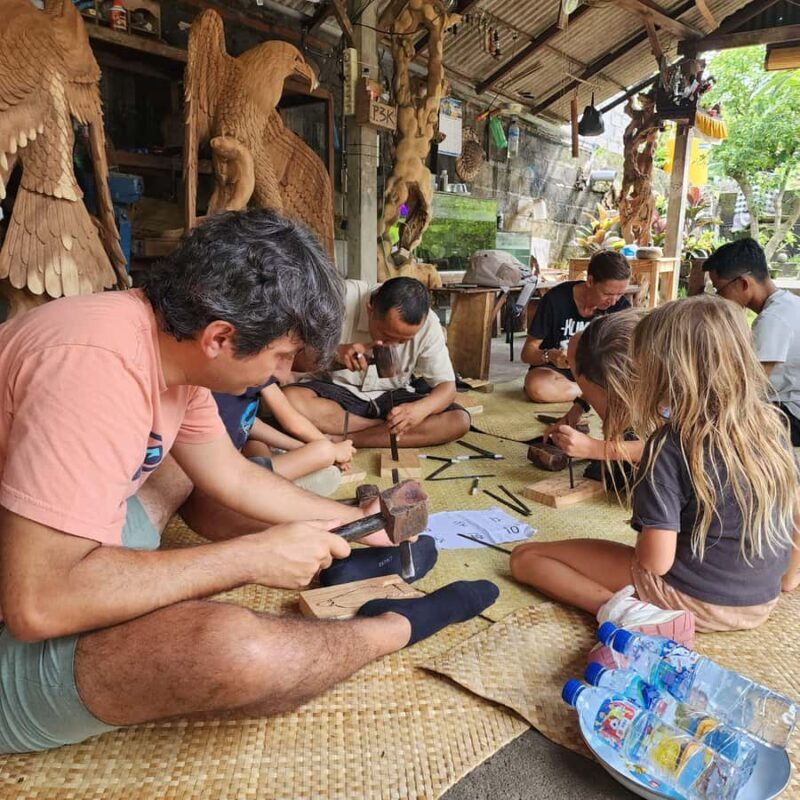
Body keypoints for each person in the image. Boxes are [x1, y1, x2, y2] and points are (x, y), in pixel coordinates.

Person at [0, 209, 499, 754]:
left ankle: (124, 576)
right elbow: (39, 603)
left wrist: (353, 519)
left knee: (176, 467)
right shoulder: (94, 369)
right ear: (220, 336)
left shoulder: (164, 342)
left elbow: (231, 474)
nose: (283, 374)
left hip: (45, 556)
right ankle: (394, 626)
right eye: (282, 355)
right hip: (33, 598)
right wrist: (251, 558)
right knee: (234, 650)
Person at [511, 296, 800, 645]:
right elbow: (796, 514)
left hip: (692, 598)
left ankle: (626, 613)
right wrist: (787, 579)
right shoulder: (771, 425)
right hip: (761, 600)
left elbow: (655, 563)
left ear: (665, 372)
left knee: (526, 558)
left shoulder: (669, 444)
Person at [283, 277, 470, 448]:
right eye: (387, 335)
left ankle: (345, 438)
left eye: (403, 341)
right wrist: (336, 354)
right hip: (336, 394)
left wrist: (419, 411)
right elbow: (291, 360)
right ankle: (381, 429)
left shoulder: (428, 324)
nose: (393, 345)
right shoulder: (338, 299)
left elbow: (447, 387)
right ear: (369, 309)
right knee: (288, 400)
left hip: (391, 397)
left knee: (458, 420)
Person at [704, 237, 800, 445]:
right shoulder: (789, 303)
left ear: (743, 283)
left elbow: (748, 389)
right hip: (786, 402)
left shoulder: (773, 320)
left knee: (712, 425)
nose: (718, 297)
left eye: (719, 289)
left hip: (792, 415)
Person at [212, 376, 356, 496]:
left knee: (255, 442)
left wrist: (304, 448)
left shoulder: (254, 372)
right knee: (324, 456)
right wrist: (329, 450)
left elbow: (248, 423)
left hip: (237, 462)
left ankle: (275, 485)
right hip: (227, 476)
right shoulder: (217, 389)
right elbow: (292, 422)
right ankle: (276, 490)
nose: (284, 376)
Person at [521, 250, 631, 404]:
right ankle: (594, 393)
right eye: (607, 294)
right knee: (536, 386)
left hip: (598, 375)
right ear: (590, 281)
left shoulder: (621, 307)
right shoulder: (556, 300)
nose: (613, 301)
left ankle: (589, 392)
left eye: (619, 294)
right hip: (559, 373)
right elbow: (527, 353)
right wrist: (550, 356)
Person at [545, 311, 644, 469]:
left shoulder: (676, 382)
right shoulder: (638, 339)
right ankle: (618, 438)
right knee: (577, 344)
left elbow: (676, 449)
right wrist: (578, 407)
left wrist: (596, 448)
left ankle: (621, 449)